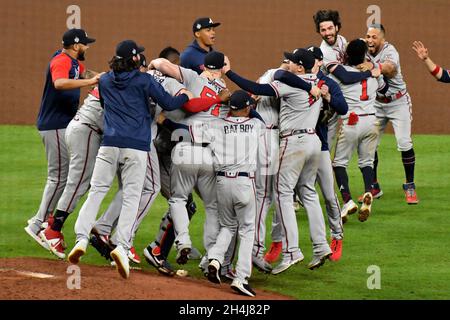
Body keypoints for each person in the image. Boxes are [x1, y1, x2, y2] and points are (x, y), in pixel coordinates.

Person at [67, 40, 195, 279]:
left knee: (97, 192)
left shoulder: (105, 80)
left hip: (109, 145)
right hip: (135, 147)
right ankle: (122, 247)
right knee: (132, 198)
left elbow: (107, 105)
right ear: (136, 59)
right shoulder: (144, 81)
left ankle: (81, 238)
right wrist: (185, 96)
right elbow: (168, 103)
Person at [224, 49, 332, 273]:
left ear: (300, 67)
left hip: (291, 142)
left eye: (291, 62)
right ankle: (321, 245)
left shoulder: (290, 83)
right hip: (314, 142)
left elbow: (258, 89)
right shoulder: (317, 83)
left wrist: (229, 73)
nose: (287, 64)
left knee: (280, 194)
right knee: (308, 192)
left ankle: (290, 251)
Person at [147, 51, 238, 280]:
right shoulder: (227, 94)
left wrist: (152, 64)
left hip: (184, 148)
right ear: (222, 70)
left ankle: (183, 241)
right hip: (209, 155)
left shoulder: (191, 76)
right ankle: (210, 258)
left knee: (178, 198)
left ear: (204, 66)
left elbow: (160, 64)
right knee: (213, 207)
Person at [24, 28, 101, 252]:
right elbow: (59, 83)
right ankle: (38, 223)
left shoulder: (75, 64)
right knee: (58, 177)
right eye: (85, 44)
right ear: (76, 46)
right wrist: (91, 82)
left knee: (64, 176)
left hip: (61, 125)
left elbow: (87, 75)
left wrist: (103, 78)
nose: (87, 47)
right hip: (54, 125)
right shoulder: (61, 60)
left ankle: (43, 220)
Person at [274, 45, 348, 260]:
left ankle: (336, 236)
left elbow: (342, 108)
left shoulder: (328, 84)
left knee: (327, 194)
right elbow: (279, 74)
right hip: (294, 144)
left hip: (320, 145)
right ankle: (278, 242)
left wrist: (327, 98)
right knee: (285, 194)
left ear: (319, 62)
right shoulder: (295, 80)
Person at [195, 90, 266, 297]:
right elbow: (256, 116)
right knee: (246, 230)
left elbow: (197, 133)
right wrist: (251, 106)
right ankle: (241, 278)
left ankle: (215, 259)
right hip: (244, 183)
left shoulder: (215, 125)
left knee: (228, 225)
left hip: (222, 182)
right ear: (246, 108)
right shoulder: (255, 125)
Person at [360, 24, 419, 204]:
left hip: (398, 102)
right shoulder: (363, 48)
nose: (370, 40)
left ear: (382, 39)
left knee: (404, 142)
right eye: (368, 36)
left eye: (374, 37)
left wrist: (370, 64)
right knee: (369, 145)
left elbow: (390, 69)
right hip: (377, 103)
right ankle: (373, 186)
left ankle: (410, 185)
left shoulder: (390, 50)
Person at [331, 39, 388, 223]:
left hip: (352, 122)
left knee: (339, 163)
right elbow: (384, 89)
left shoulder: (341, 73)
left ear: (347, 55)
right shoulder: (371, 73)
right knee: (367, 163)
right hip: (372, 121)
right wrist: (374, 71)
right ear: (364, 55)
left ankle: (347, 201)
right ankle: (367, 194)